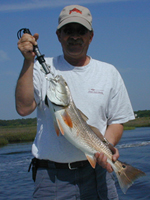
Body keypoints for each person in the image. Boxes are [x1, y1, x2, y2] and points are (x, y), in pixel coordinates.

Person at [16, 5, 135, 200]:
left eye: (81, 31)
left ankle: (124, 173)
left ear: (91, 36)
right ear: (59, 35)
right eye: (68, 31)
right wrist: (28, 62)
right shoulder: (38, 68)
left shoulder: (109, 72)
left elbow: (117, 121)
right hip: (52, 178)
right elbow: (23, 108)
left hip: (98, 175)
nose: (74, 36)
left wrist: (107, 147)